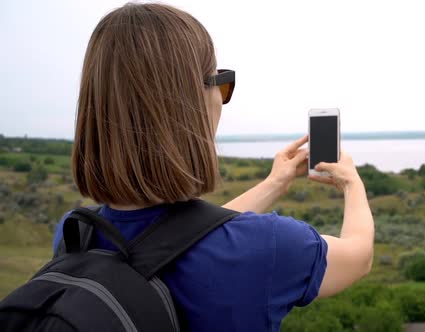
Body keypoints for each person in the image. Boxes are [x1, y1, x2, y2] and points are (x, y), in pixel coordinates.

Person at [52, 3, 374, 331]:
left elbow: (180, 239)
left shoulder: (76, 234)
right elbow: (358, 257)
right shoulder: (269, 246)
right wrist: (352, 183)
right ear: (191, 100)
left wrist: (275, 183)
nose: (221, 98)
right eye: (220, 82)